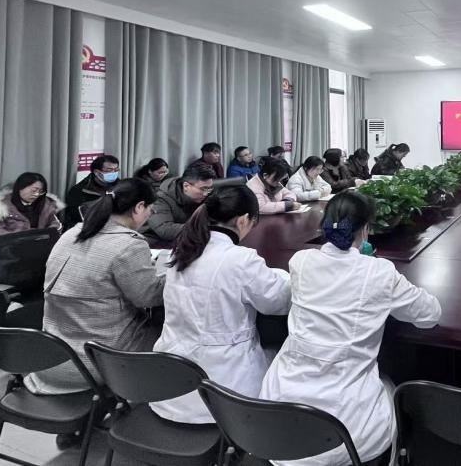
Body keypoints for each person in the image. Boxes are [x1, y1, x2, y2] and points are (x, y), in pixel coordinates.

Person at [260, 192, 441, 466]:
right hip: (346, 429)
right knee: (391, 387)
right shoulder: (379, 271)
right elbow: (429, 314)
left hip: (280, 421)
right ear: (365, 229)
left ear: (325, 225)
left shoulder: (301, 261)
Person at [151, 186, 291, 424]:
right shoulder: (240, 259)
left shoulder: (181, 250)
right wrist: (285, 278)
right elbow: (278, 302)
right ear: (243, 220)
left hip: (170, 383)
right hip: (222, 393)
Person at [26, 178, 164, 395]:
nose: (150, 215)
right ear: (139, 207)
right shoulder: (129, 245)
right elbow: (149, 297)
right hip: (94, 364)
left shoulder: (72, 233)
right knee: (168, 330)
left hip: (50, 358)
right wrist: (173, 276)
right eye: (150, 209)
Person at [144, 164, 216, 244]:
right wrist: (203, 229)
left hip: (188, 240)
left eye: (209, 188)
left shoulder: (206, 194)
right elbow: (165, 230)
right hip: (158, 242)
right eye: (203, 189)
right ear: (186, 186)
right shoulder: (160, 199)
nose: (206, 193)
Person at [0, 172, 63, 236]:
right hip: (12, 246)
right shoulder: (2, 206)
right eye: (34, 190)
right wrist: (22, 237)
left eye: (41, 191)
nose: (37, 194)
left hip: (41, 244)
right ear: (20, 188)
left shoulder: (46, 204)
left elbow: (57, 225)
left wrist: (43, 234)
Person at [61, 154, 120, 230]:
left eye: (116, 170)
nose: (113, 173)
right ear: (96, 172)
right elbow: (75, 220)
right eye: (109, 170)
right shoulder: (78, 192)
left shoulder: (122, 187)